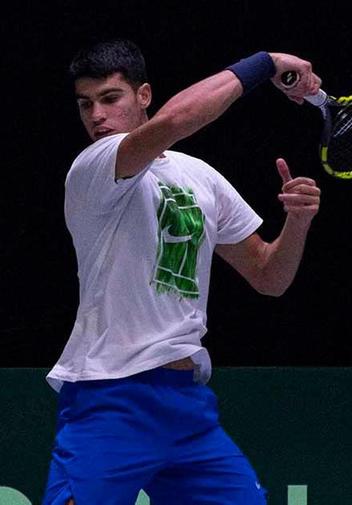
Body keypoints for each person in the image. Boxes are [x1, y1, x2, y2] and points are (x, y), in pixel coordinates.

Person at [42, 39, 322, 505]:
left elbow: (270, 277)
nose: (97, 116)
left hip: (185, 402)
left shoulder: (201, 177)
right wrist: (266, 63)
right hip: (111, 397)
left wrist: (298, 222)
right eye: (86, 105)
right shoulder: (93, 166)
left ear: (143, 95)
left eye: (111, 99)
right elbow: (178, 121)